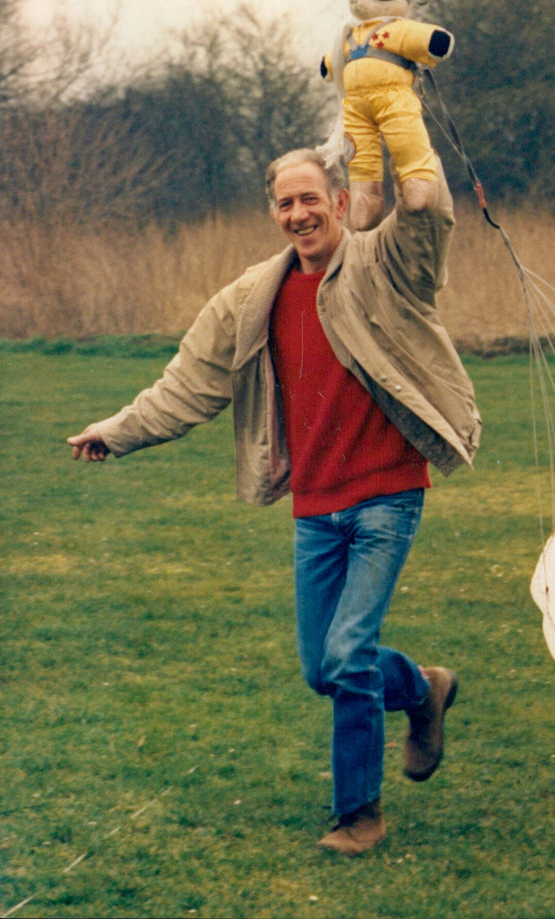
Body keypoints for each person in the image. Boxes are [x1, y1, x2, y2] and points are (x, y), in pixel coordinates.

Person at [67, 148, 481, 856]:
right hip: (315, 507)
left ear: (342, 203)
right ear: (274, 213)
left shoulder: (382, 266)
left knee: (348, 653)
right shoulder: (250, 298)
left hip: (388, 493)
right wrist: (118, 431)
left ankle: (360, 815)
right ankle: (421, 688)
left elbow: (427, 216)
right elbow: (187, 385)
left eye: (311, 199)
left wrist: (405, 134)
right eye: (285, 204)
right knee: (323, 669)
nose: (300, 214)